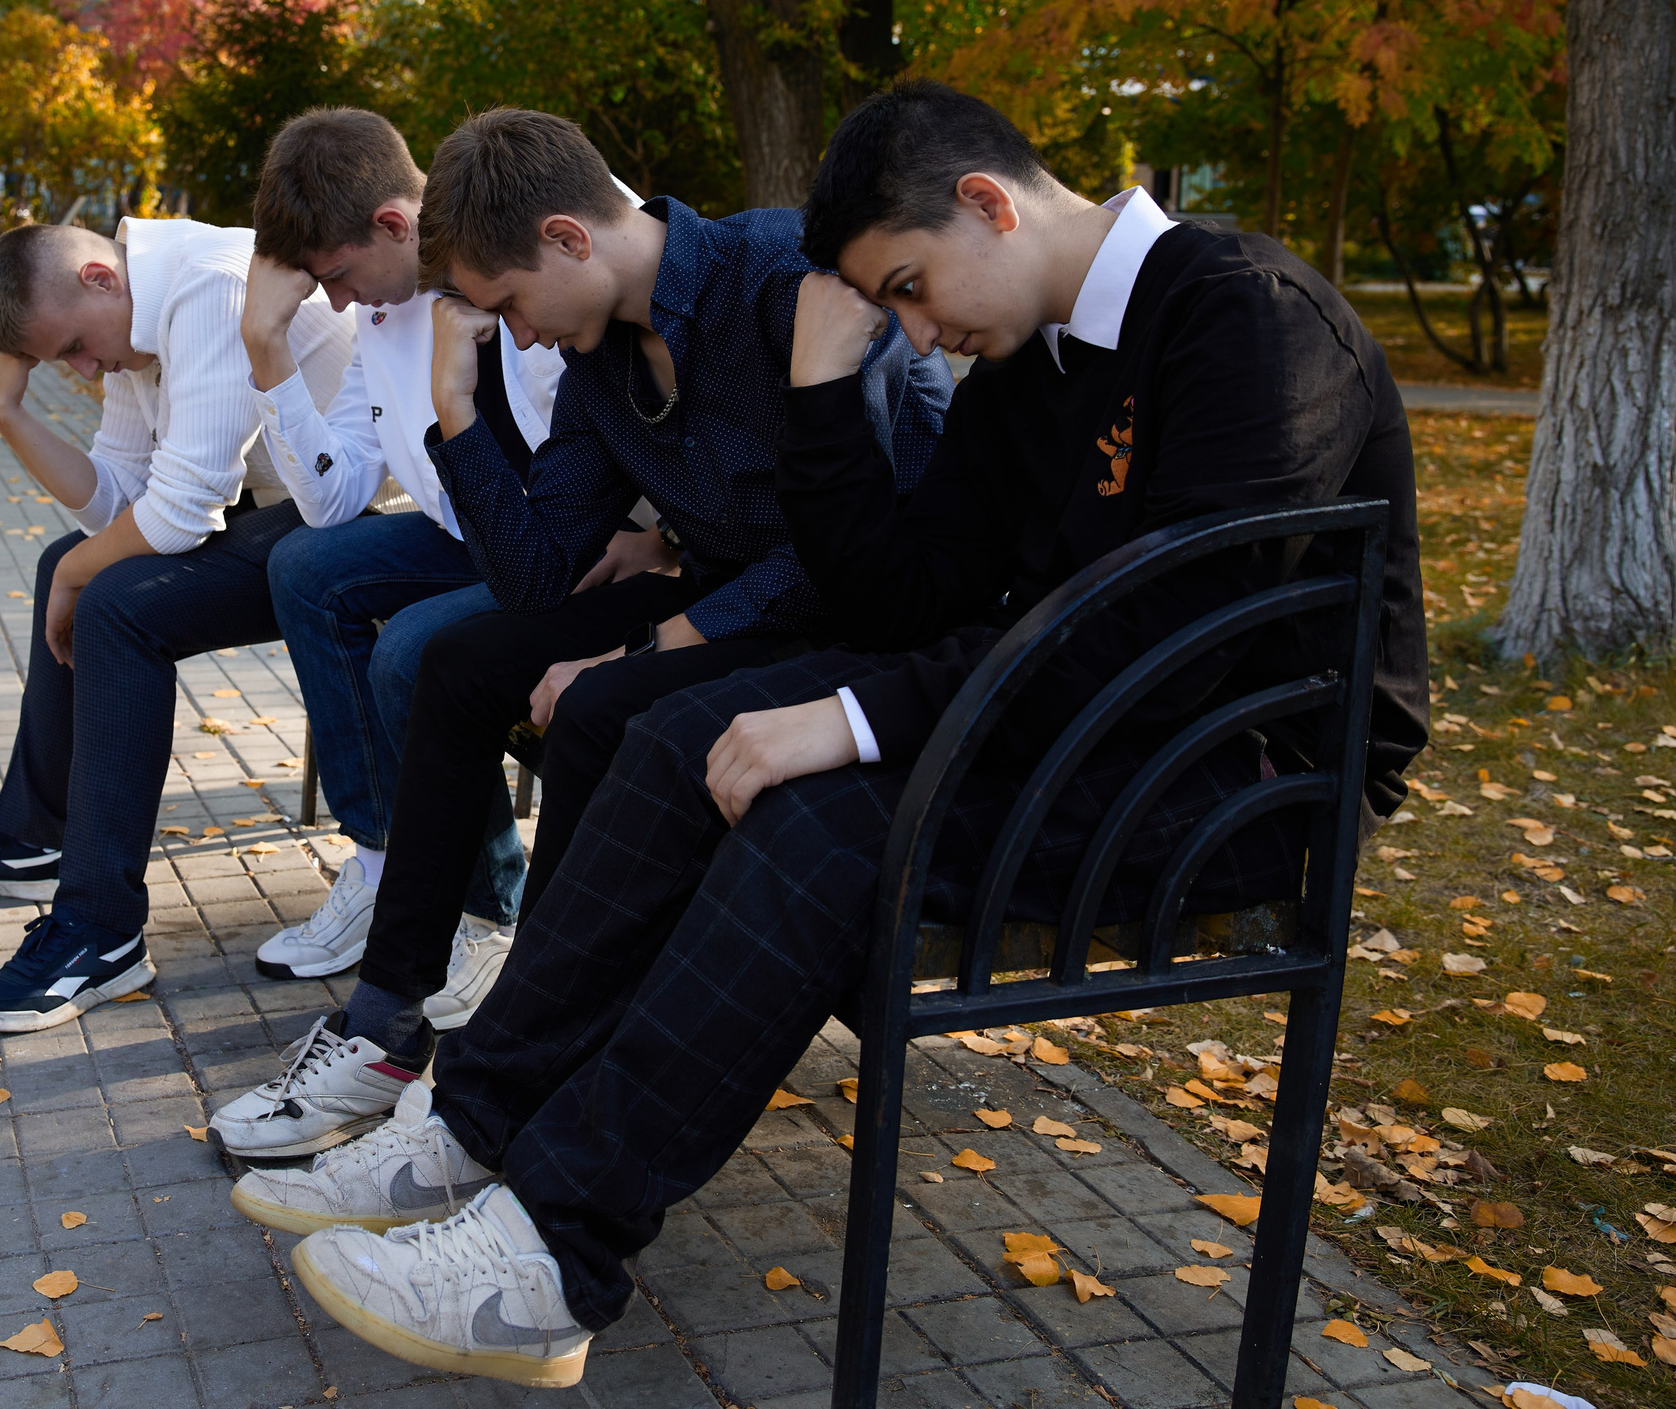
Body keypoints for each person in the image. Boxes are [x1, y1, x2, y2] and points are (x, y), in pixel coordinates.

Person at [228, 81, 1429, 1388]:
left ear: (987, 203)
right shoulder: (1028, 358)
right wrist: (816, 383)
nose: (915, 331)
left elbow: (1155, 636)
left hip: (1239, 783)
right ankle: (475, 1121)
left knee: (820, 826)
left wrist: (854, 716)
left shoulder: (1245, 318)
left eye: (909, 288)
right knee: (692, 734)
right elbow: (898, 592)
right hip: (1077, 725)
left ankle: (551, 1254)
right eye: (891, 306)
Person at [218, 109, 953, 1155]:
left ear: (568, 239)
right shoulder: (601, 352)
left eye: (510, 304)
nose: (515, 334)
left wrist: (658, 645)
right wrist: (456, 407)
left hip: (853, 617)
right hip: (723, 595)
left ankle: (536, 1033)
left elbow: (839, 551)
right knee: (459, 659)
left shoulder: (788, 282)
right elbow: (535, 579)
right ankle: (384, 1027)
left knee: (602, 699)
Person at [210, 108, 607, 1156]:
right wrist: (266, 352)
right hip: (460, 532)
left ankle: (485, 910)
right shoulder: (376, 322)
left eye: (337, 277)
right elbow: (334, 499)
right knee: (307, 565)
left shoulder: (507, 292)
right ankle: (387, 854)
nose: (333, 302)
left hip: (554, 547)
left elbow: (579, 496)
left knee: (412, 647)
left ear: (396, 222)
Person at [0, 216, 350, 1032]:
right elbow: (116, 499)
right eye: (59, 360)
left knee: (110, 601)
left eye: (74, 343)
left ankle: (100, 929)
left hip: (356, 518)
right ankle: (33, 833)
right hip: (289, 514)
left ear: (101, 279)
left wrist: (81, 570)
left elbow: (181, 510)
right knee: (65, 569)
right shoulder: (135, 317)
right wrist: (6, 411)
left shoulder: (207, 287)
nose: (81, 368)